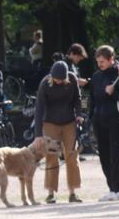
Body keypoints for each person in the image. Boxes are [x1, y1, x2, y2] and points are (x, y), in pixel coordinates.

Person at [33, 61, 83, 203]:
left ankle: (73, 192)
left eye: (61, 79)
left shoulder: (72, 79)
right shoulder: (45, 83)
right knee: (52, 156)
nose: (58, 81)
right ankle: (51, 193)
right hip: (50, 122)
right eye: (56, 78)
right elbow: (39, 109)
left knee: (72, 156)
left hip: (69, 122)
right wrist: (38, 134)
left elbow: (77, 99)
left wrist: (79, 114)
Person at [89, 46, 119, 201]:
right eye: (98, 62)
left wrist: (113, 93)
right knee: (104, 155)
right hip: (99, 120)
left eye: (102, 61)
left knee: (115, 154)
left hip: (116, 120)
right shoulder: (96, 76)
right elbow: (92, 98)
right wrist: (90, 118)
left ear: (111, 59)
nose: (100, 64)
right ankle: (111, 189)